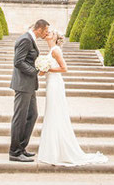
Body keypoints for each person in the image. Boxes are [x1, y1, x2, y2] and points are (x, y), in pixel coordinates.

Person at [37, 29, 108, 166]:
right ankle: (53, 151)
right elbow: (45, 71)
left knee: (55, 114)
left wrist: (48, 69)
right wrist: (41, 69)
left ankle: (58, 152)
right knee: (52, 114)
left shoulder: (56, 50)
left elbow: (64, 68)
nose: (47, 34)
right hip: (51, 83)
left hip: (55, 84)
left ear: (56, 37)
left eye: (51, 33)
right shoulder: (51, 50)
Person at [8, 19, 48, 162]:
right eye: (46, 31)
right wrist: (35, 71)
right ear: (39, 29)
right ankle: (14, 152)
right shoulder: (25, 39)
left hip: (29, 85)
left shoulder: (30, 39)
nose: (47, 33)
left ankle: (22, 147)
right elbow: (18, 62)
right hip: (23, 85)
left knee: (32, 115)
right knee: (20, 117)